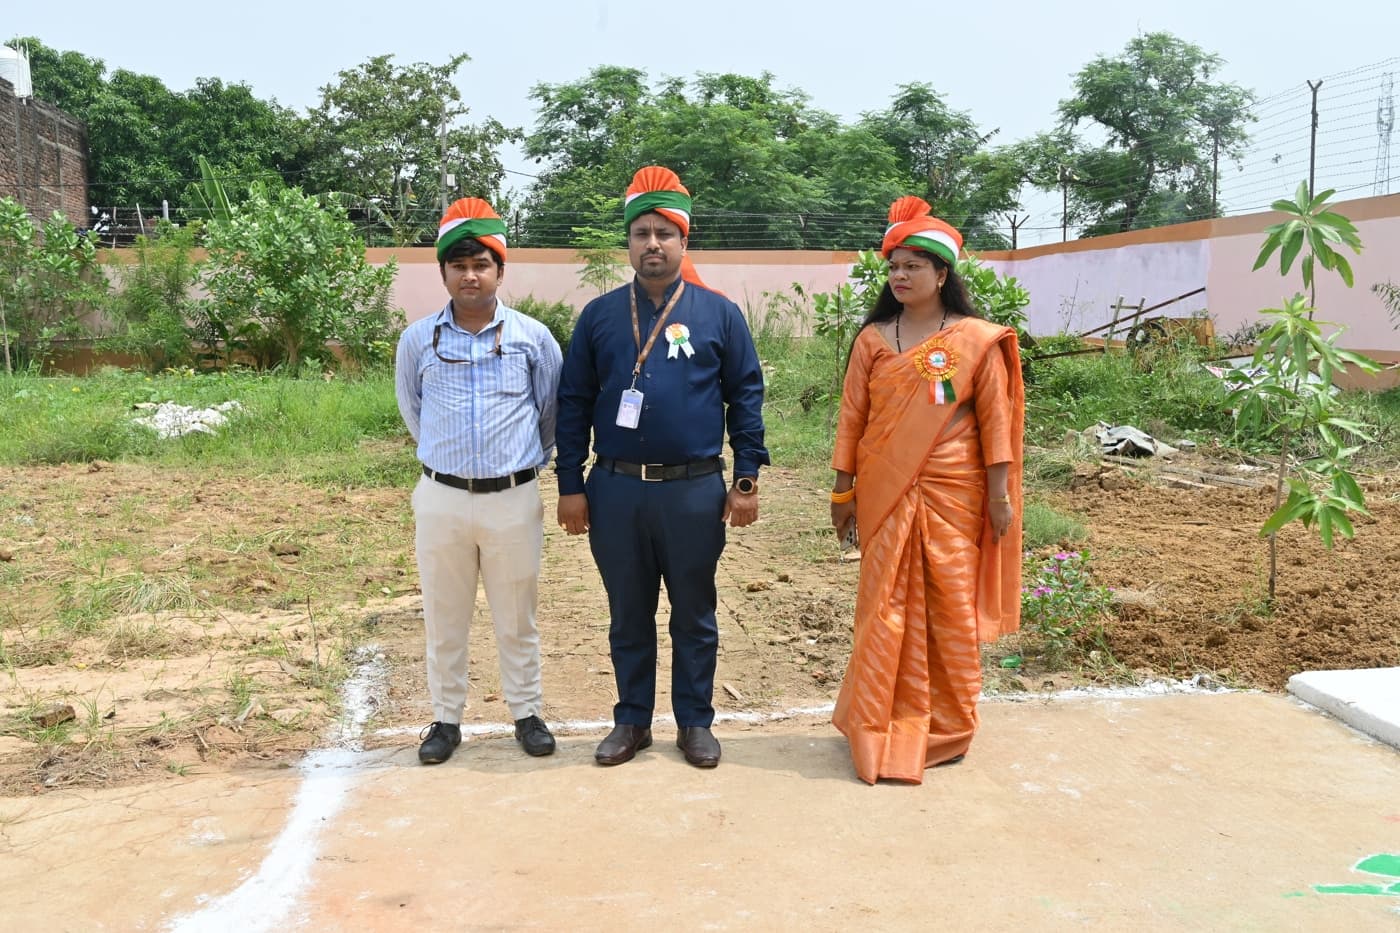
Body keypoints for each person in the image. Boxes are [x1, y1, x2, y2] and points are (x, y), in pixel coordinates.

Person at [555, 166, 769, 769]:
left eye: (665, 233)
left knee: (694, 612)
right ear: (627, 243)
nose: (653, 243)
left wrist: (745, 479)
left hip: (694, 490)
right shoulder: (598, 317)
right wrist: (571, 485)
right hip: (616, 490)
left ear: (684, 241)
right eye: (641, 232)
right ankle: (632, 722)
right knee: (628, 613)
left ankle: (695, 723)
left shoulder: (719, 314)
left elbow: (745, 397)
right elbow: (572, 403)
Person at [829, 196, 1024, 785]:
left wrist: (999, 495)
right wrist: (842, 493)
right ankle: (875, 720)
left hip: (954, 495)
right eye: (895, 266)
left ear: (943, 274)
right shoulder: (872, 341)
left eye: (914, 265)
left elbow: (994, 422)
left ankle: (948, 724)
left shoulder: (974, 341)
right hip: (885, 492)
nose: (901, 275)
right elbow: (852, 420)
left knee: (949, 608)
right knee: (882, 608)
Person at [395, 197, 563, 765]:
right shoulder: (418, 340)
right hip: (440, 497)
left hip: (512, 497)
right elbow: (412, 410)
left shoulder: (533, 338)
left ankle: (527, 713)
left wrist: (519, 466)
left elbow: (550, 414)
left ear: (500, 271)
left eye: (482, 264)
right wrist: (449, 466)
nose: (471, 274)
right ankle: (446, 720)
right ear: (442, 271)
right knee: (445, 614)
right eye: (459, 264)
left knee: (518, 614)